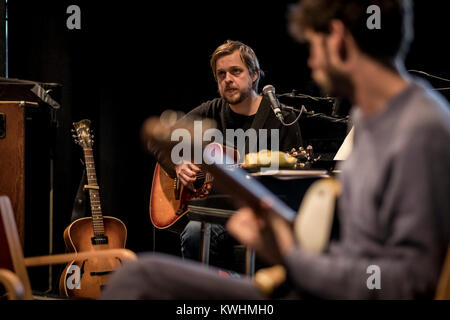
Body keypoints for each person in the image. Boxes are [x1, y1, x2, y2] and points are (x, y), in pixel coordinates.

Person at [102, 0, 450, 299]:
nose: (311, 61)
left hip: (316, 289)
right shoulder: (367, 117)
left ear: (340, 40)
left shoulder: (419, 129)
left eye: (313, 46)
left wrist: (290, 255)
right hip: (309, 281)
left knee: (141, 280)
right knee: (138, 274)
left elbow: (408, 283)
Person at [150, 40, 303, 272]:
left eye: (235, 71)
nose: (227, 79)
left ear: (253, 75)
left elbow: (295, 178)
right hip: (215, 214)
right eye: (221, 74)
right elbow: (158, 139)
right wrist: (178, 164)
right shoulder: (210, 111)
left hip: (259, 215)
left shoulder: (281, 118)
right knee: (193, 232)